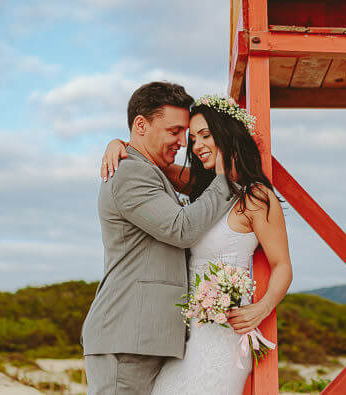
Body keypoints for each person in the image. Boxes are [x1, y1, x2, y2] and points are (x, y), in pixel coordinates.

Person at [100, 93, 292, 394]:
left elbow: (282, 265)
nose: (196, 145)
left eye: (206, 135)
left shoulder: (256, 197)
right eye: (192, 138)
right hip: (182, 338)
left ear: (227, 135)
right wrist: (118, 144)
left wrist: (263, 307)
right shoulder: (200, 188)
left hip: (223, 335)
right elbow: (149, 159)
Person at [81, 82, 237, 395]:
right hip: (126, 337)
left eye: (187, 134)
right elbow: (181, 229)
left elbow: (195, 184)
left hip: (144, 337)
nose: (183, 142)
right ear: (141, 125)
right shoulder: (130, 173)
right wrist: (226, 178)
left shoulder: (151, 170)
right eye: (175, 131)